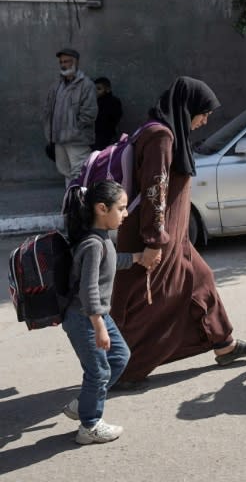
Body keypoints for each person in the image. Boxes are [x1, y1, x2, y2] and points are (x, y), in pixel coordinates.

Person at [110, 77, 246, 387]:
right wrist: (154, 241)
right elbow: (156, 190)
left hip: (175, 237)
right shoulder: (161, 137)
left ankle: (224, 344)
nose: (205, 120)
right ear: (186, 107)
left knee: (201, 279)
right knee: (151, 303)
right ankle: (125, 369)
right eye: (203, 112)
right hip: (155, 236)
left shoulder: (161, 131)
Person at [60, 181, 150, 444]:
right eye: (121, 208)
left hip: (96, 315)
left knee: (120, 356)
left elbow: (109, 264)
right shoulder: (93, 244)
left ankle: (83, 404)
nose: (126, 214)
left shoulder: (101, 239)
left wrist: (136, 258)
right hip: (85, 317)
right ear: (102, 208)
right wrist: (98, 325)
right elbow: (88, 290)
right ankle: (89, 426)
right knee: (98, 372)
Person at [43, 48, 98, 186]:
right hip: (59, 139)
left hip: (77, 140)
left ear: (75, 62)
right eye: (61, 62)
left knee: (80, 172)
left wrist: (75, 130)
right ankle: (71, 201)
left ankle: (80, 204)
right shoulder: (57, 85)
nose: (63, 64)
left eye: (66, 61)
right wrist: (50, 134)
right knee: (66, 172)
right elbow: (49, 110)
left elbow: (89, 113)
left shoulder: (86, 84)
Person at [93, 77, 123, 150]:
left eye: (99, 89)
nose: (96, 91)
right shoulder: (94, 101)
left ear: (108, 89)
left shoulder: (113, 102)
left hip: (104, 137)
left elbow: (114, 119)